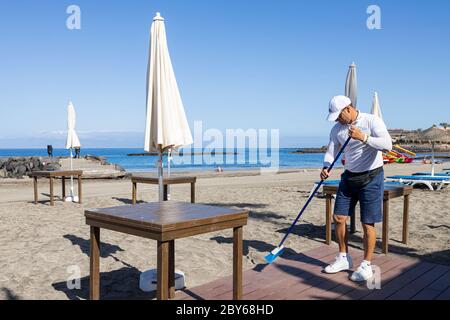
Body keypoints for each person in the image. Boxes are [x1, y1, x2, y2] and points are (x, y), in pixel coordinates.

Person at [321, 95, 392, 282]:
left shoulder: (371, 120)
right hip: (349, 177)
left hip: (372, 176)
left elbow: (387, 145)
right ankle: (344, 257)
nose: (337, 120)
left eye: (338, 116)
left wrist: (363, 137)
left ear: (348, 109)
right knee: (338, 218)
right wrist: (326, 166)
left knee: (367, 224)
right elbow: (331, 151)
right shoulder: (337, 129)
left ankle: (366, 265)